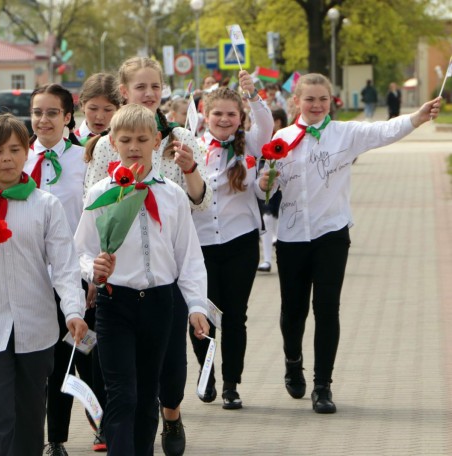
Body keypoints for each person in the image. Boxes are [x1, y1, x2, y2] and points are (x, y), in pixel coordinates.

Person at [257, 73, 441, 414]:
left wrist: (417, 117)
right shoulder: (279, 140)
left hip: (331, 233)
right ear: (296, 101)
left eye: (322, 99)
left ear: (331, 101)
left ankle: (323, 385)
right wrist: (264, 181)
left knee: (327, 309)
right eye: (309, 99)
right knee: (293, 310)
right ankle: (292, 359)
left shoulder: (345, 134)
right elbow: (262, 188)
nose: (316, 105)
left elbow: (384, 131)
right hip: (293, 236)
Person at [84, 56, 212, 456]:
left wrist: (195, 304)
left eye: (142, 141)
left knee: (150, 395)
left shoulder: (171, 196)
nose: (134, 148)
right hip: (114, 302)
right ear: (113, 144)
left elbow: (189, 256)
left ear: (157, 143)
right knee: (122, 394)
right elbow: (82, 251)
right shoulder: (100, 193)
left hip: (159, 301)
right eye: (125, 141)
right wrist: (95, 270)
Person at [0, 114, 88, 456]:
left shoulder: (45, 205)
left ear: (26, 153)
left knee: (29, 418)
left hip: (35, 328)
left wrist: (73, 312)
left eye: (14, 149)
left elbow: (65, 267)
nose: (6, 158)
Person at [189, 73, 274, 411]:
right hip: (200, 245)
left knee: (235, 316)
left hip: (240, 242)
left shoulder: (251, 144)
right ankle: (206, 373)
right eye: (217, 114)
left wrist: (251, 94)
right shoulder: (191, 146)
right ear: (206, 116)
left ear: (240, 118)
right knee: (202, 316)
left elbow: (266, 125)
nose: (224, 120)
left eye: (231, 114)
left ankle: (231, 385)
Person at [20, 83, 97, 455]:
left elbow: (96, 218)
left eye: (52, 113)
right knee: (47, 363)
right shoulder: (18, 159)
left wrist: (92, 274)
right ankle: (54, 441)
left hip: (76, 277)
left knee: (82, 356)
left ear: (68, 118)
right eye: (37, 112)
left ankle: (101, 422)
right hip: (31, 278)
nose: (43, 120)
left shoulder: (85, 159)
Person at [257, 108, 288, 273]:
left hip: (281, 185)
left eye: (274, 120)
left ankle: (277, 239)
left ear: (279, 122)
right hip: (265, 183)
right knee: (267, 218)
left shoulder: (287, 136)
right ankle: (267, 260)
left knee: (276, 216)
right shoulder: (262, 136)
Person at [75, 73, 122, 147]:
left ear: (118, 109)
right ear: (82, 105)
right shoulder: (69, 144)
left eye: (107, 110)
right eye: (93, 109)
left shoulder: (123, 143)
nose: (99, 117)